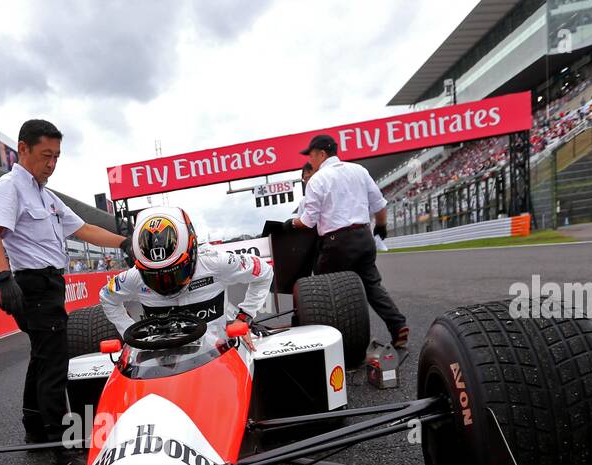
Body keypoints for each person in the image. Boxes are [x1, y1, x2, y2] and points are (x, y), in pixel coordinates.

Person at [0, 118, 131, 465]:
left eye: (57, 156)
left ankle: (34, 427)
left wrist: (126, 242)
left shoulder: (45, 195)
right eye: (45, 155)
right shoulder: (9, 187)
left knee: (42, 356)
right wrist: (4, 277)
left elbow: (84, 229)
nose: (51, 163)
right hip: (30, 285)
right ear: (23, 149)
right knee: (54, 364)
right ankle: (64, 447)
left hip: (49, 284)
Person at [287, 134, 409, 350]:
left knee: (327, 294)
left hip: (336, 244)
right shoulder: (359, 171)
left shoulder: (318, 179)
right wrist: (381, 226)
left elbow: (308, 221)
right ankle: (398, 326)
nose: (310, 160)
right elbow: (379, 205)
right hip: (363, 236)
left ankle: (332, 345)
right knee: (372, 286)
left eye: (311, 156)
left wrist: (291, 223)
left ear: (322, 154)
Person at [99, 206, 272, 357]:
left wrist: (244, 317)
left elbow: (263, 271)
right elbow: (107, 296)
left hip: (217, 353)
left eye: (174, 272)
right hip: (159, 358)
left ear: (191, 253)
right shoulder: (134, 277)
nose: (165, 283)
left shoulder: (215, 263)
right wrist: (130, 336)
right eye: (154, 275)